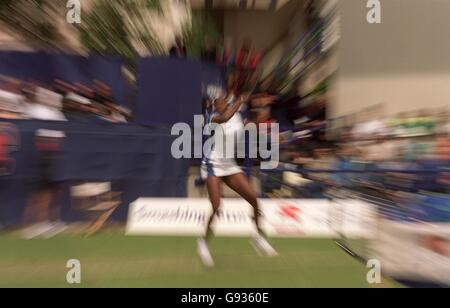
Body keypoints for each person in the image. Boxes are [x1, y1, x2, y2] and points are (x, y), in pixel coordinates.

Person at [197, 88, 277, 268]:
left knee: (254, 199)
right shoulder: (211, 117)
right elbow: (225, 117)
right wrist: (241, 99)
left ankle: (258, 237)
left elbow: (250, 124)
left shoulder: (237, 116)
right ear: (213, 104)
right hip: (213, 165)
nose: (223, 102)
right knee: (217, 206)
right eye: (219, 100)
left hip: (230, 165)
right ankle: (202, 243)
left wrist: (261, 116)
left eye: (224, 99)